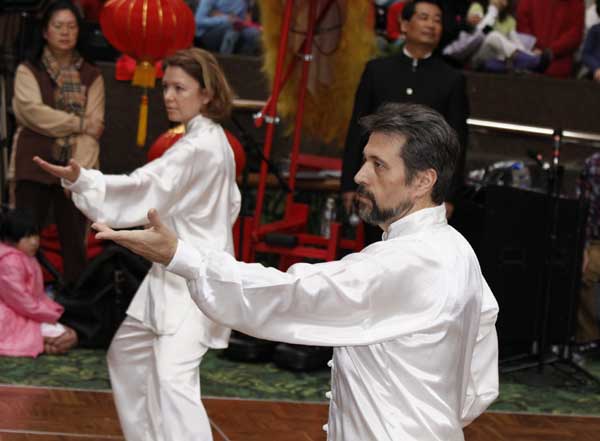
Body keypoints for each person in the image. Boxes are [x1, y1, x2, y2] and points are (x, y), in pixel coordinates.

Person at [92, 103, 500, 441]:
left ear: (423, 181)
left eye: (379, 165)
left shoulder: (409, 261)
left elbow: (294, 294)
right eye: (365, 160)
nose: (360, 176)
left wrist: (182, 256)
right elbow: (478, 382)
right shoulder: (457, 250)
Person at [35, 48, 241, 441]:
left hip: (193, 277)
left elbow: (147, 186)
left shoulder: (199, 147)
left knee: (172, 381)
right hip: (173, 274)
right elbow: (230, 203)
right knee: (128, 356)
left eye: (180, 88)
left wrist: (84, 181)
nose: (169, 96)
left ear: (207, 94)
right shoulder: (213, 141)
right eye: (166, 87)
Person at [341, 0, 468, 244]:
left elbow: (457, 141)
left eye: (437, 20)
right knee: (375, 246)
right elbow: (357, 131)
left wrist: (449, 196)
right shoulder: (377, 71)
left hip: (422, 190)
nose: (431, 25)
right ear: (404, 24)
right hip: (379, 183)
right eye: (424, 17)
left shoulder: (452, 79)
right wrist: (348, 183)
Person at [9, 0, 105, 286]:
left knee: (75, 241)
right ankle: (17, 295)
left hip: (75, 167)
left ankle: (76, 300)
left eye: (71, 26)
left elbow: (95, 127)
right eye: (58, 26)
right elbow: (32, 113)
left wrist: (78, 175)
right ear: (45, 31)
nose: (65, 32)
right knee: (24, 237)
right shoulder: (28, 70)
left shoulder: (92, 74)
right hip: (33, 162)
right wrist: (79, 123)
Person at [0, 209, 78, 357]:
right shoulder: (10, 262)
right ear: (11, 239)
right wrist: (49, 314)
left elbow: (36, 296)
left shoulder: (27, 257)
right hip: (9, 318)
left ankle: (44, 345)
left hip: (27, 314)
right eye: (27, 237)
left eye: (35, 235)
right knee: (66, 336)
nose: (34, 241)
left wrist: (50, 312)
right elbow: (20, 301)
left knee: (69, 336)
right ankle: (43, 345)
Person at [516, 0, 585, 78]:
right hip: (549, 65)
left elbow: (575, 33)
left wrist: (538, 49)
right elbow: (575, 33)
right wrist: (548, 52)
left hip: (541, 64)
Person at [577, 153, 600, 344]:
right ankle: (589, 339)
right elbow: (583, 212)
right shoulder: (594, 165)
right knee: (582, 269)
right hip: (595, 241)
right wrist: (582, 247)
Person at [195, 0, 261, 55]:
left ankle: (244, 62)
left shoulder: (243, 3)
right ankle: (225, 59)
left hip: (234, 33)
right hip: (207, 36)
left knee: (254, 33)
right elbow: (198, 21)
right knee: (232, 26)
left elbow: (240, 21)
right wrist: (225, 18)